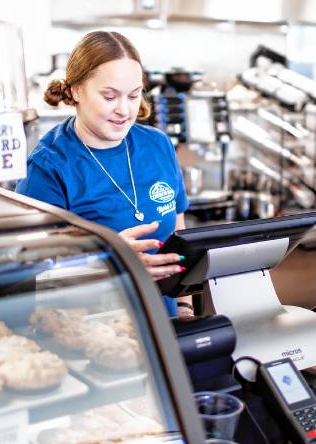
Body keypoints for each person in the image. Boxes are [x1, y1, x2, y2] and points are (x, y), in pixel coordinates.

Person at [16, 31, 192, 317]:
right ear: (76, 90)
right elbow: (31, 269)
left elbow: (178, 233)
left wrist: (184, 308)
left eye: (134, 96)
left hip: (164, 324)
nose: (124, 110)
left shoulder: (157, 145)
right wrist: (108, 259)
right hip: (91, 334)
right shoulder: (48, 168)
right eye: (109, 96)